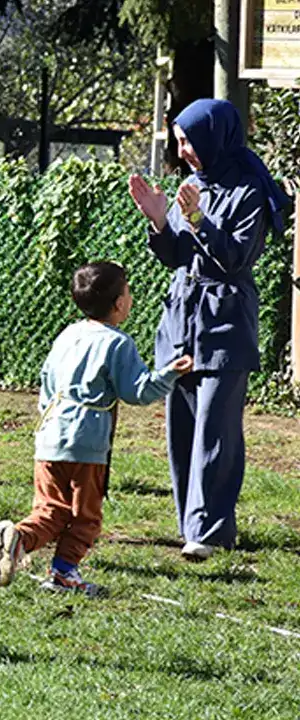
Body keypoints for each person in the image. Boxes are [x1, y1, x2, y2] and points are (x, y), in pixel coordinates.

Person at [127, 98, 291, 560]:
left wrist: (197, 218)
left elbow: (234, 259)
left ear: (215, 136)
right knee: (182, 430)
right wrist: (159, 220)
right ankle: (190, 528)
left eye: (190, 142)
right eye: (179, 142)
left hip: (225, 323)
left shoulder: (250, 191)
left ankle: (212, 532)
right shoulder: (191, 185)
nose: (184, 153)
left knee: (216, 431)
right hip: (182, 320)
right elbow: (178, 256)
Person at [0, 262, 194, 597]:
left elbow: (46, 384)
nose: (131, 297)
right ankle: (64, 573)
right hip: (87, 442)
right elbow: (137, 391)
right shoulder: (118, 343)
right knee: (85, 517)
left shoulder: (67, 335)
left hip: (50, 436)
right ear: (118, 304)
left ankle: (19, 538)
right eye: (128, 291)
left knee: (50, 510)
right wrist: (170, 373)